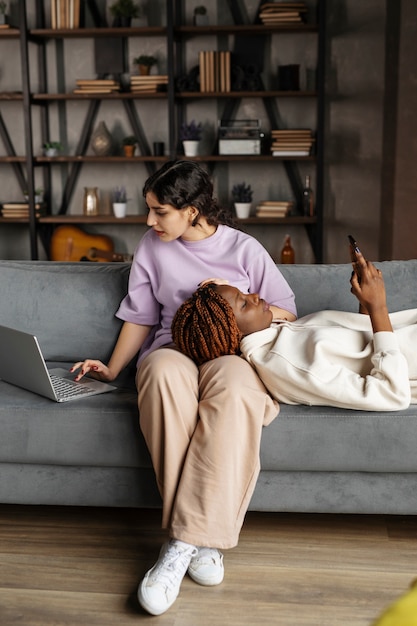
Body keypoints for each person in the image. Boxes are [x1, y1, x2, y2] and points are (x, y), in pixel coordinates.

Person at [70, 160, 297, 616]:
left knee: (236, 391)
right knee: (162, 376)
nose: (150, 222)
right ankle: (199, 541)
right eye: (149, 211)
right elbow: (141, 315)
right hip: (171, 347)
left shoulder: (245, 249)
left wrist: (232, 294)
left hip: (230, 353)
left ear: (193, 210)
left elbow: (288, 313)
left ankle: (182, 542)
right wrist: (114, 370)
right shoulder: (152, 247)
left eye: (160, 212)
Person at [172, 250, 417, 411]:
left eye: (243, 293)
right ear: (231, 332)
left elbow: (361, 350)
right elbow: (391, 394)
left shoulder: (277, 332)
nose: (255, 295)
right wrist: (378, 307)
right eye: (244, 303)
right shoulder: (282, 363)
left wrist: (365, 304)